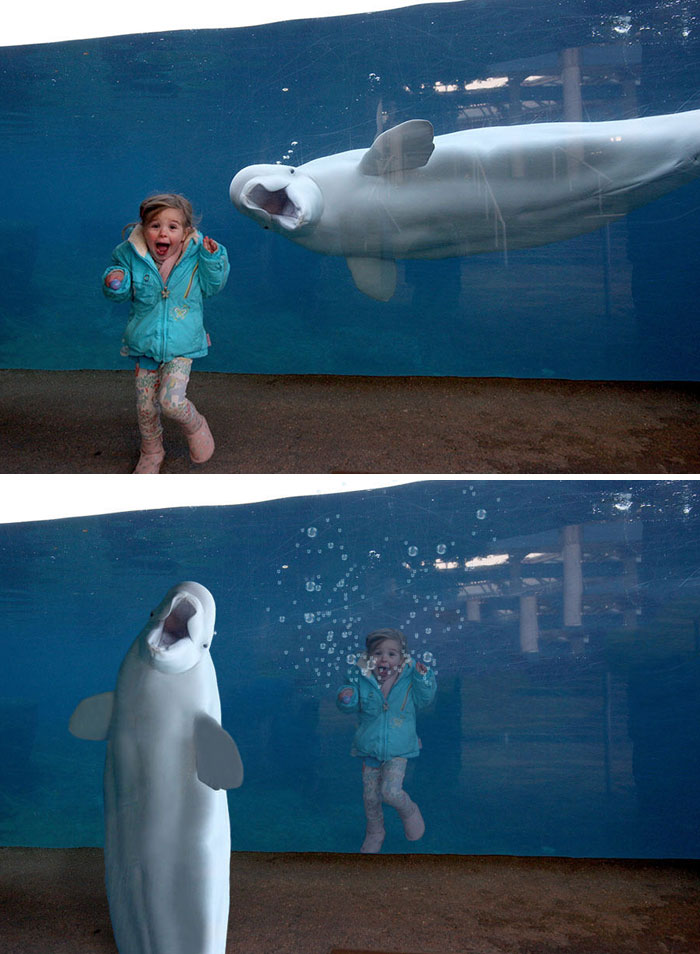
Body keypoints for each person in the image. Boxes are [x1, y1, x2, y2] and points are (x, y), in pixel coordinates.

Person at [102, 193, 230, 473]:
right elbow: (119, 292)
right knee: (146, 408)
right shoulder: (128, 253)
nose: (163, 233)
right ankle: (151, 452)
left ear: (185, 232)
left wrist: (213, 259)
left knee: (171, 403)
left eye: (172, 227)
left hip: (183, 344)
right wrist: (115, 282)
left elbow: (213, 287)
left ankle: (196, 425)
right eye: (155, 225)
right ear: (143, 228)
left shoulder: (197, 254)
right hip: (144, 343)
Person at [337, 628, 436, 853]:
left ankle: (409, 811)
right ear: (369, 656)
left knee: (390, 792)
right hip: (369, 747)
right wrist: (345, 697)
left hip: (399, 748)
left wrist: (424, 678)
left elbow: (424, 700)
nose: (384, 659)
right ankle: (375, 832)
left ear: (402, 658)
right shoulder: (360, 676)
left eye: (392, 654)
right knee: (370, 797)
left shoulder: (410, 677)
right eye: (378, 653)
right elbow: (350, 702)